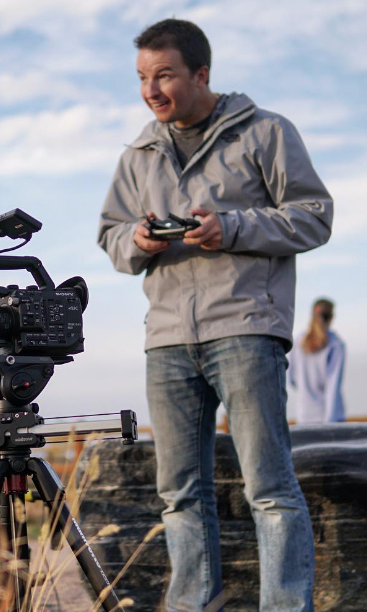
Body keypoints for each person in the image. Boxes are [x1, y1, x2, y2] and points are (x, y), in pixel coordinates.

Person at [97, 18, 333, 612]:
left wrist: (229, 227)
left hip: (247, 330)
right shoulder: (138, 154)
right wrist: (139, 242)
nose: (151, 90)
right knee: (179, 495)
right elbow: (110, 236)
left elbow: (314, 216)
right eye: (143, 78)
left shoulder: (266, 132)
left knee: (270, 490)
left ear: (201, 74)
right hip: (168, 339)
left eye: (165, 75)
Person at [289, 298, 346, 423]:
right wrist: (329, 422)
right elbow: (333, 386)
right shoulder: (336, 344)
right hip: (330, 419)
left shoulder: (298, 341)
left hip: (304, 417)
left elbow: (292, 379)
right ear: (331, 317)